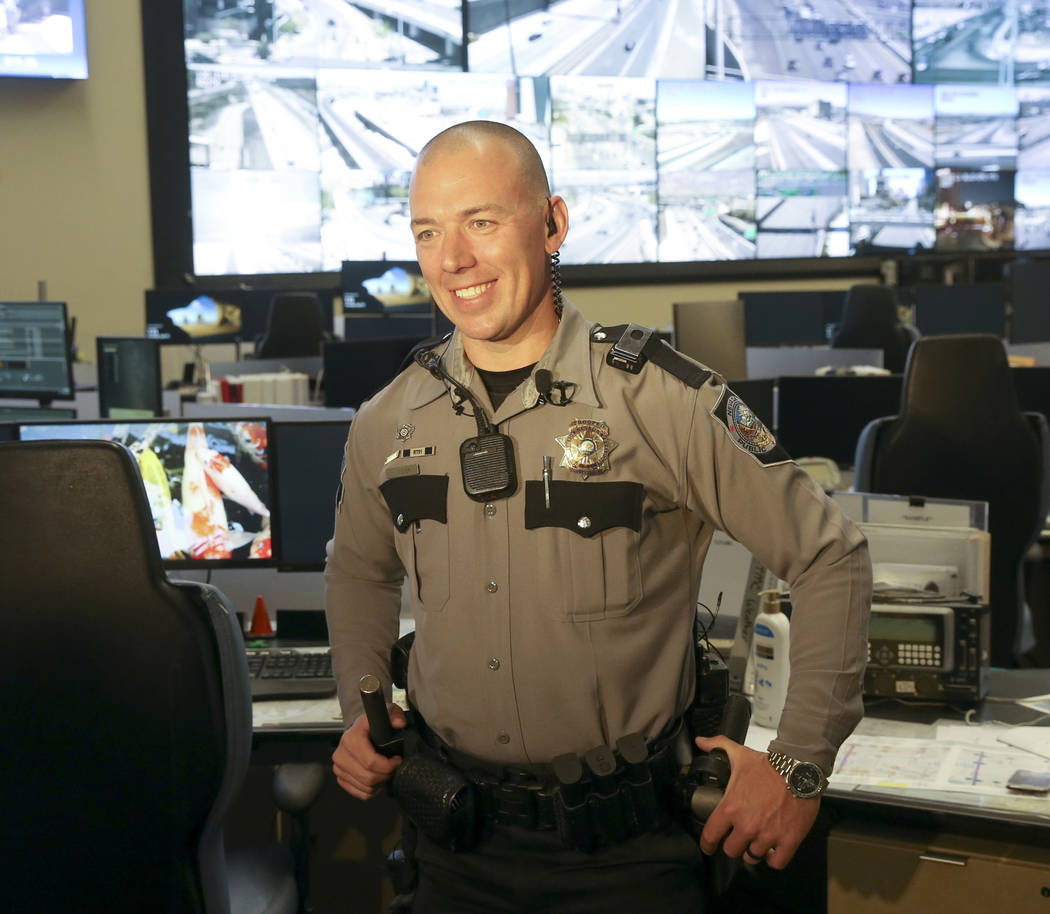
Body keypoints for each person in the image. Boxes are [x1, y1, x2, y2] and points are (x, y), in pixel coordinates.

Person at [324, 120, 872, 912]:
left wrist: (798, 766)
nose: (453, 260)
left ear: (553, 223)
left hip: (624, 860)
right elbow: (358, 570)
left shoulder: (661, 399)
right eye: (429, 232)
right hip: (452, 846)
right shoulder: (389, 419)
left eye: (482, 222)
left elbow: (832, 557)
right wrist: (363, 708)